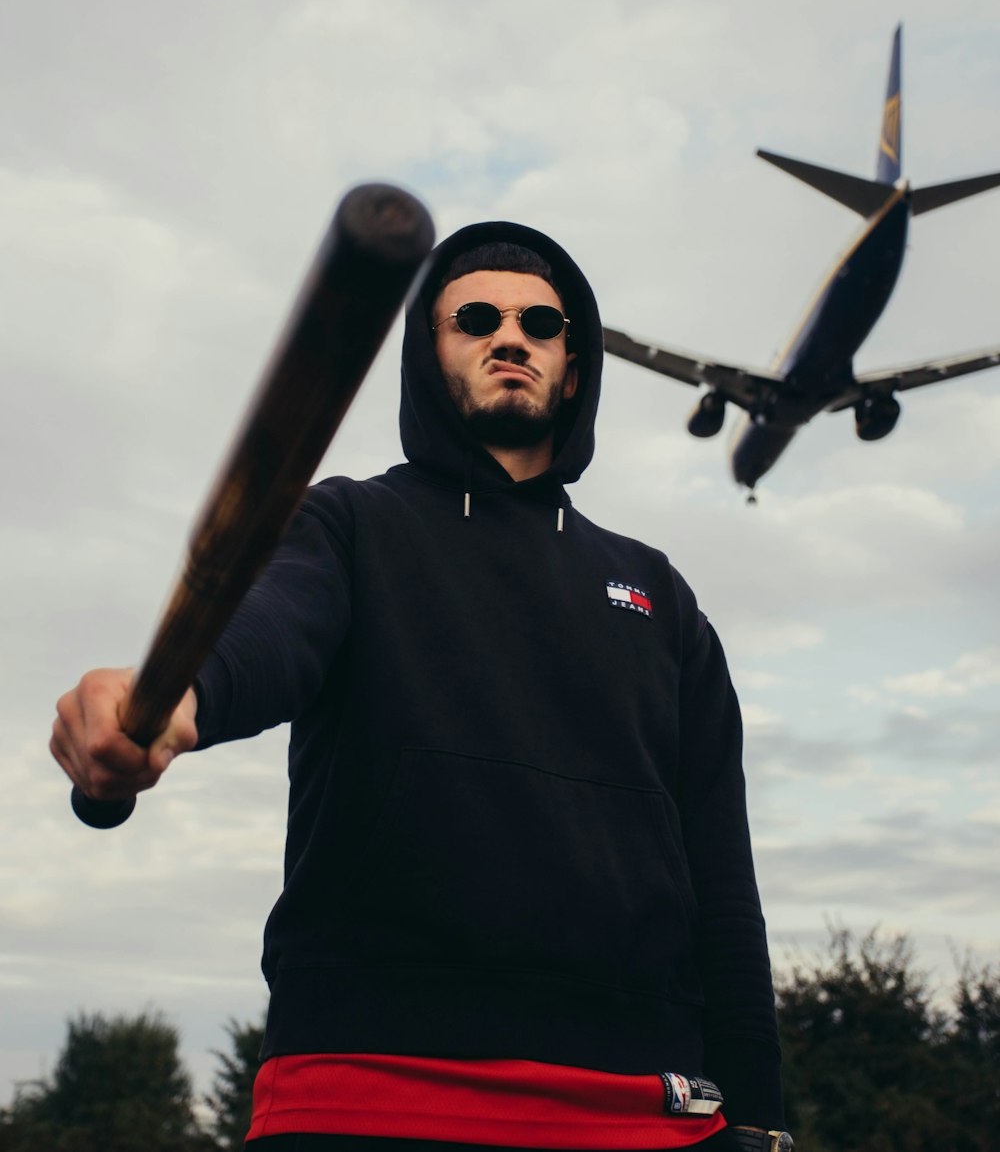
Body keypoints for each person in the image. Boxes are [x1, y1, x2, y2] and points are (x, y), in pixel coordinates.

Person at [51, 222, 791, 1152]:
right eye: (474, 318)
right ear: (428, 354)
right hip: (369, 1089)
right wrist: (174, 703)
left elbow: (723, 880)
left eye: (542, 323)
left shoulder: (660, 595)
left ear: (573, 365)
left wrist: (759, 1116)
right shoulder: (351, 524)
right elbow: (271, 627)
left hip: (639, 1107)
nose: (509, 336)